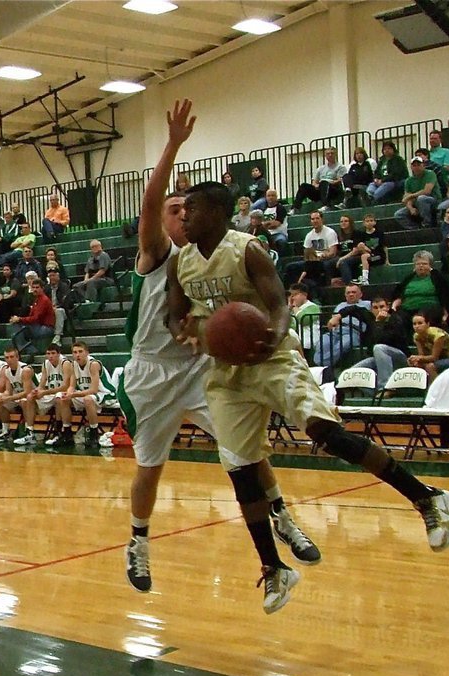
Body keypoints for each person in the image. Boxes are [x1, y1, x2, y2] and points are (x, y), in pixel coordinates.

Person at [168, 180, 449, 614]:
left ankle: (426, 497)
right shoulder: (182, 264)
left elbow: (279, 304)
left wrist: (275, 334)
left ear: (216, 212)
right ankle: (274, 569)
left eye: (190, 208)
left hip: (273, 358)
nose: (183, 217)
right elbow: (174, 314)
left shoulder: (247, 250)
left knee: (326, 432)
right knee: (241, 470)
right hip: (226, 372)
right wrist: (186, 333)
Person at [114, 100, 319, 598]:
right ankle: (137, 542)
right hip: (152, 372)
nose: (182, 212)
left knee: (243, 452)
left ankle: (281, 516)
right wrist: (173, 145)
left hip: (203, 364)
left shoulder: (217, 253)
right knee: (150, 465)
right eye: (174, 208)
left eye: (189, 207)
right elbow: (150, 200)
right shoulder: (158, 253)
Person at [52, 340, 116, 448]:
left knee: (88, 399)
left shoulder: (93, 364)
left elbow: (94, 390)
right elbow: (72, 386)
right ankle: (67, 433)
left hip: (105, 394)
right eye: (75, 352)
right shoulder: (73, 365)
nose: (77, 355)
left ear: (87, 352)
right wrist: (68, 394)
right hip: (85, 394)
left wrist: (73, 395)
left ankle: (94, 434)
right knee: (61, 397)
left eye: (80, 351)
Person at [13, 342, 72, 446]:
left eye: (53, 353)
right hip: (51, 392)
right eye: (48, 353)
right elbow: (42, 384)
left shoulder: (65, 363)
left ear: (59, 354)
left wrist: (45, 392)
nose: (50, 356)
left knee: (59, 396)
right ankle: (30, 433)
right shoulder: (45, 364)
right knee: (30, 397)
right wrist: (37, 391)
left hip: (65, 393)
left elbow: (66, 386)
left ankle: (58, 432)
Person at [351, 297, 409, 390]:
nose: (379, 310)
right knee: (352, 374)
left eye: (382, 307)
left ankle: (386, 388)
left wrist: (378, 323)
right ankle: (376, 395)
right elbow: (353, 308)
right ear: (371, 310)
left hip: (399, 357)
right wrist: (338, 316)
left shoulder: (395, 320)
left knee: (379, 348)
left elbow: (383, 339)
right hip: (378, 357)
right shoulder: (372, 321)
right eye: (375, 308)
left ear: (388, 307)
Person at [391, 250, 449, 331]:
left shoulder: (438, 277)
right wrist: (394, 305)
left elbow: (447, 296)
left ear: (430, 265)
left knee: (422, 317)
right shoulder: (408, 278)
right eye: (418, 264)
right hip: (407, 309)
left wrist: (445, 313)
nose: (421, 266)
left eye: (424, 263)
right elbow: (398, 295)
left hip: (430, 308)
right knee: (397, 318)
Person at [313, 283, 371, 369]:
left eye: (354, 292)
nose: (351, 294)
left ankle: (322, 365)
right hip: (337, 331)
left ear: (360, 294)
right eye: (348, 293)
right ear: (345, 295)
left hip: (353, 331)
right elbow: (333, 321)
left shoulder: (367, 304)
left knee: (343, 344)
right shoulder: (340, 305)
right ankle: (323, 365)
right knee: (322, 342)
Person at [0, 347, 38, 442]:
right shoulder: (6, 371)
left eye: (11, 357)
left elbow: (27, 392)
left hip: (35, 398)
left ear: (17, 357)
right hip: (18, 397)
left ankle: (29, 433)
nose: (9, 359)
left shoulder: (25, 370)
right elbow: (8, 390)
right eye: (7, 357)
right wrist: (3, 396)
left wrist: (8, 397)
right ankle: (5, 431)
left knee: (24, 401)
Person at [409, 309, 449, 383]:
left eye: (420, 323)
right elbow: (422, 355)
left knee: (430, 367)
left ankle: (435, 391)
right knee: (416, 364)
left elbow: (434, 357)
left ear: (427, 324)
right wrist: (416, 360)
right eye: (414, 324)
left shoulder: (438, 335)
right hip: (438, 359)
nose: (417, 326)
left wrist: (418, 358)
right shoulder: (416, 336)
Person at [286, 210, 338, 287]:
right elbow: (306, 254)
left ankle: (325, 288)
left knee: (323, 265)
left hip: (325, 260)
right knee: (291, 266)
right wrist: (313, 258)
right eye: (313, 219)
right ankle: (294, 288)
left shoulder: (330, 232)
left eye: (317, 218)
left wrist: (323, 256)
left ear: (322, 220)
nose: (315, 221)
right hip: (312, 261)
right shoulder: (309, 235)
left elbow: (333, 252)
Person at [291, 147, 346, 212]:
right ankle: (295, 208)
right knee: (304, 186)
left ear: (335, 154)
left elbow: (340, 180)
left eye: (332, 153)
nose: (330, 155)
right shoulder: (321, 168)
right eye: (328, 154)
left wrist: (327, 182)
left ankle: (326, 205)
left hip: (333, 190)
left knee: (324, 183)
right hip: (320, 190)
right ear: (325, 156)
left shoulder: (340, 167)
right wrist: (316, 185)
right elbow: (314, 181)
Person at [394, 156, 441, 229]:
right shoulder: (409, 180)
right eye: (414, 165)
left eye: (419, 165)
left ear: (423, 165)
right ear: (411, 167)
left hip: (433, 201)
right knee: (398, 214)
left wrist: (410, 196)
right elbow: (406, 198)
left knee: (422, 198)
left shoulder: (430, 174)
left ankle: (427, 224)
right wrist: (410, 208)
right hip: (416, 203)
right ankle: (415, 229)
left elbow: (427, 191)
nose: (416, 167)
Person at [10, 278, 55, 355]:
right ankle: (28, 348)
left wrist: (19, 319)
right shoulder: (37, 299)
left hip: (45, 328)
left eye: (37, 287)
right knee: (17, 328)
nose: (35, 289)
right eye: (33, 287)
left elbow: (36, 318)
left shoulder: (44, 300)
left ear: (42, 288)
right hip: (39, 326)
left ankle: (29, 349)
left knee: (17, 325)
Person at [352, 212, 389, 286]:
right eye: (367, 221)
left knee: (364, 256)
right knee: (361, 247)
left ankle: (365, 279)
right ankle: (362, 277)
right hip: (369, 257)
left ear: (375, 222)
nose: (369, 223)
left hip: (379, 257)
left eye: (371, 221)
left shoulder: (379, 233)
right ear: (364, 223)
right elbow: (359, 246)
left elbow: (385, 247)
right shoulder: (361, 234)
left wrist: (387, 260)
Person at [288, 283, 321, 350]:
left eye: (295, 295)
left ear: (305, 295)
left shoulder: (313, 307)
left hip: (309, 343)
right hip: (295, 343)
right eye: (291, 295)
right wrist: (288, 310)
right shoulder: (291, 310)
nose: (293, 298)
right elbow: (290, 326)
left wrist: (295, 307)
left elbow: (304, 320)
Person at [44, 266, 71, 345]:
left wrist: (57, 307)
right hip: (50, 310)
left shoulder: (64, 286)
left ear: (58, 277)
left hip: (63, 310)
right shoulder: (46, 288)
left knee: (58, 311)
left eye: (53, 275)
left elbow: (67, 302)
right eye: (50, 276)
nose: (52, 277)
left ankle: (57, 336)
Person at [260, 189, 289, 255]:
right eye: (268, 196)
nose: (270, 197)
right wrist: (269, 223)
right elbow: (261, 224)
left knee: (281, 241)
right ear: (266, 197)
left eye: (273, 195)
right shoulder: (264, 209)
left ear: (276, 197)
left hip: (278, 234)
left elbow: (276, 224)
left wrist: (266, 224)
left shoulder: (280, 208)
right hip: (266, 235)